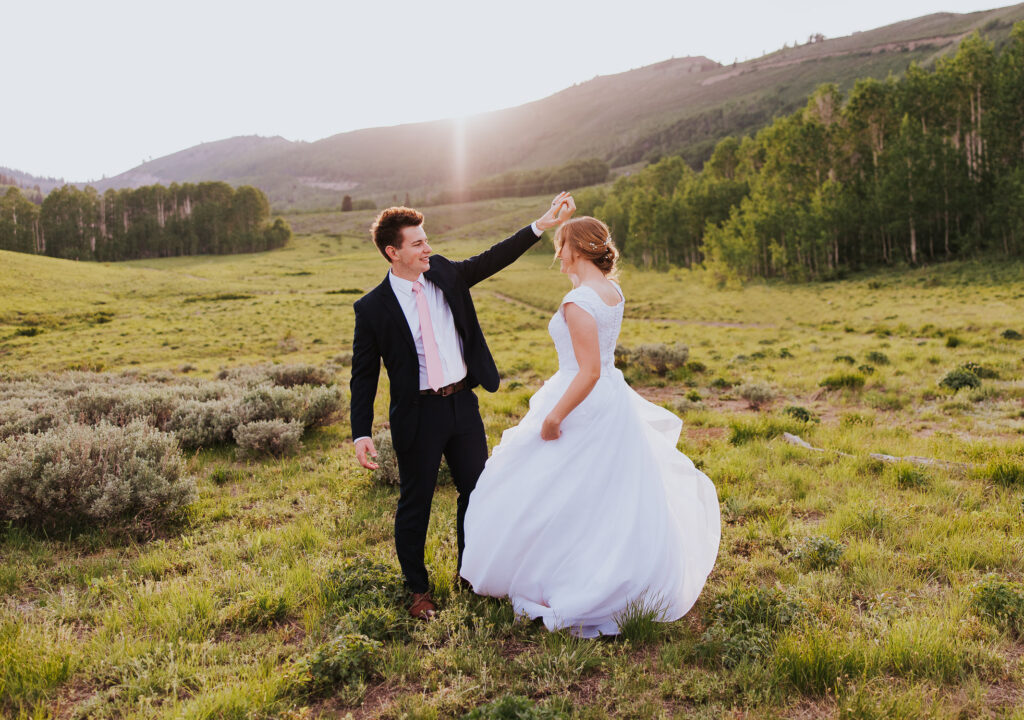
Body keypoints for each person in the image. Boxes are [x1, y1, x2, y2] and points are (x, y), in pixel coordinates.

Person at [459, 216, 721, 638]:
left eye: (561, 245)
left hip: (580, 398)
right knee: (601, 493)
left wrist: (554, 416)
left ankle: (562, 576)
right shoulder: (611, 291)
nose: (557, 254)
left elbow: (589, 371)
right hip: (611, 402)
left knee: (554, 489)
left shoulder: (578, 301)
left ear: (577, 249)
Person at [350, 193, 577, 620]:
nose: (427, 248)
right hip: (417, 415)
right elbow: (363, 375)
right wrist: (361, 431)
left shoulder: (446, 274)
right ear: (392, 252)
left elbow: (493, 259)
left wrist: (540, 225)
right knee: (415, 502)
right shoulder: (372, 308)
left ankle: (470, 574)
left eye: (426, 239)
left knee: (477, 493)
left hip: (463, 407)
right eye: (417, 244)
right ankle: (418, 592)